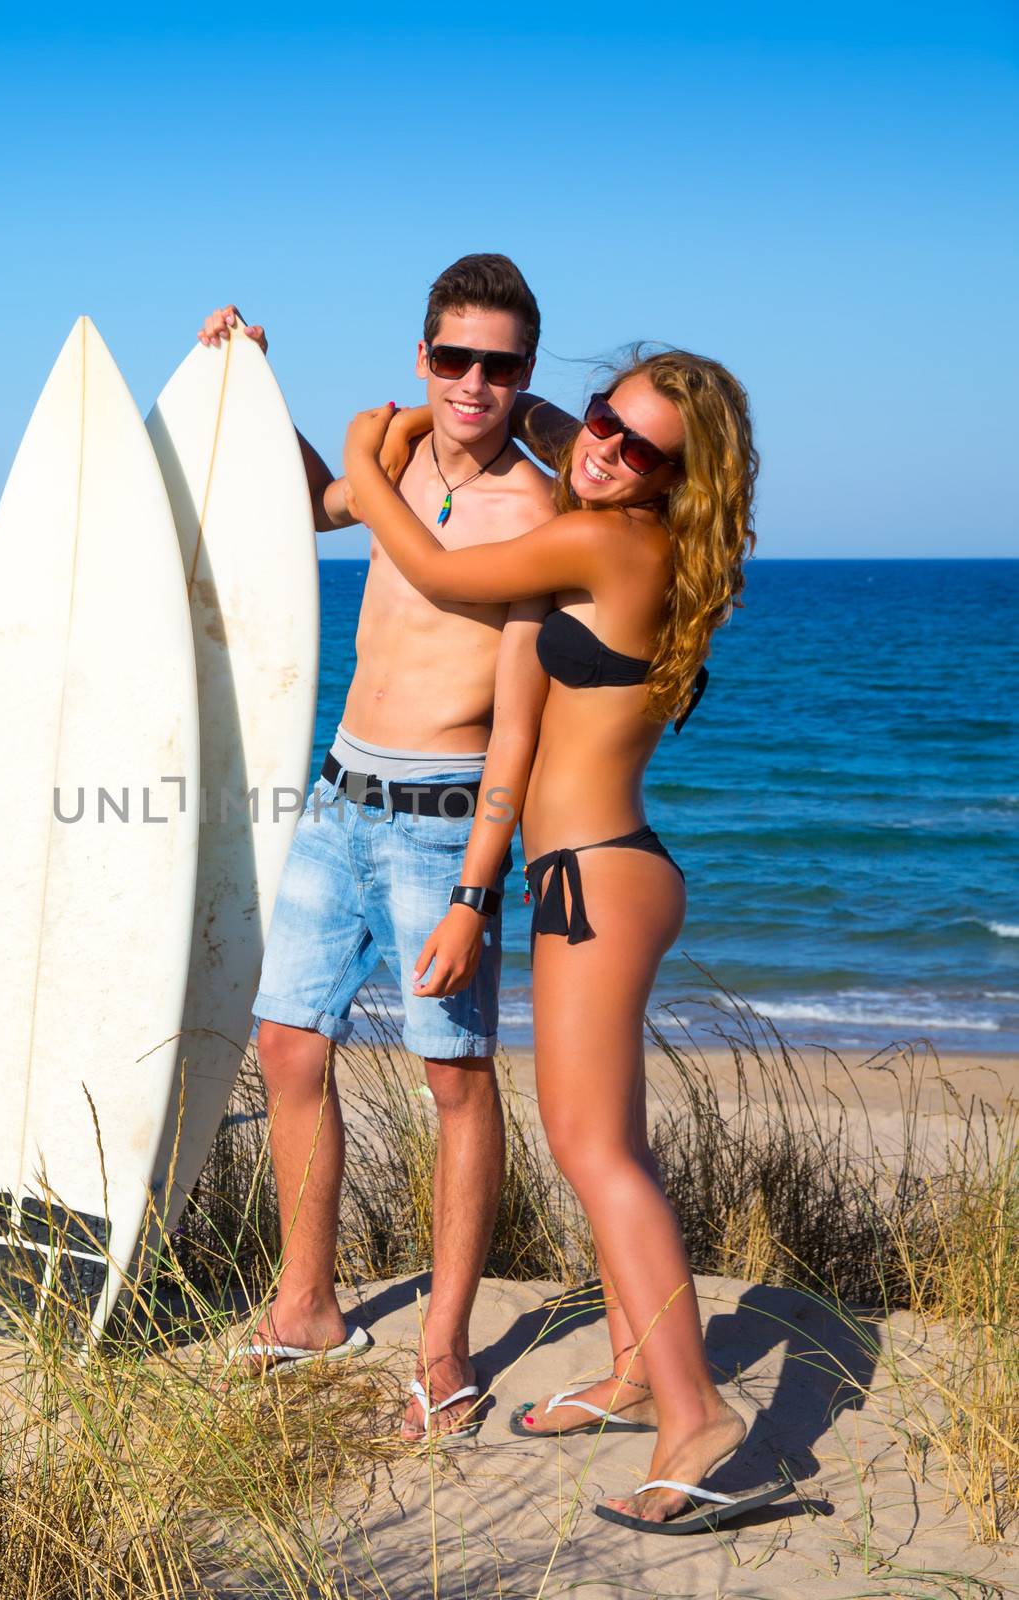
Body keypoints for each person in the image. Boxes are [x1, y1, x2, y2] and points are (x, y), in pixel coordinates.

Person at [342, 351, 785, 1530]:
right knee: (609, 1141)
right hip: (604, 872)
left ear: (676, 477)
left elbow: (434, 565)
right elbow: (574, 443)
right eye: (599, 419)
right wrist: (571, 426)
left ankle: (695, 1414)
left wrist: (354, 460)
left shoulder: (598, 543)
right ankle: (640, 1372)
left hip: (593, 881)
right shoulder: (653, 543)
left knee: (596, 1153)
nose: (600, 448)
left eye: (638, 447)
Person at [202, 255, 564, 1440]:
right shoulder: (394, 458)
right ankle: (304, 1303)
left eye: (497, 364)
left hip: (445, 818)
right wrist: (253, 380)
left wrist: (475, 890)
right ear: (422, 356)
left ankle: (447, 1350)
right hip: (339, 790)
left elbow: (519, 726)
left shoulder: (538, 513)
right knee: (286, 1044)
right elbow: (314, 502)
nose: (470, 382)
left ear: (524, 375)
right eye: (451, 358)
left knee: (453, 1081)